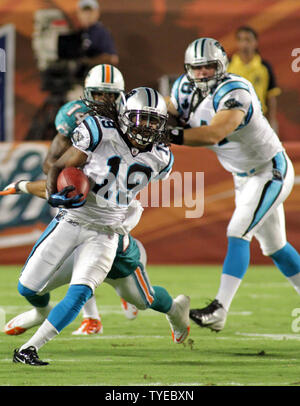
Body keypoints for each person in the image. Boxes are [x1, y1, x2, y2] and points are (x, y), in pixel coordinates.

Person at [12, 86, 190, 365]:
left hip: (107, 233)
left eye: (153, 120)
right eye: (140, 118)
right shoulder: (100, 131)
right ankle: (39, 312)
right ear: (125, 116)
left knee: (86, 291)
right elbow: (58, 167)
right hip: (73, 218)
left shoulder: (162, 157)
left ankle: (30, 348)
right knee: (27, 287)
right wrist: (54, 193)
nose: (145, 126)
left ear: (161, 123)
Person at [167, 37, 300, 332]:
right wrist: (142, 111)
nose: (202, 73)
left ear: (222, 65)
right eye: (196, 67)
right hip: (243, 176)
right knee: (275, 246)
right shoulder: (182, 87)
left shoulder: (235, 91)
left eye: (209, 66)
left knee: (238, 231)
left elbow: (214, 133)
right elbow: (170, 107)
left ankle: (220, 309)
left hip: (269, 170)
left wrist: (168, 135)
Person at [2, 64, 138, 336]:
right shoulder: (75, 116)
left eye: (110, 95)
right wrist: (70, 176)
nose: (105, 101)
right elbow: (50, 163)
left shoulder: (131, 119)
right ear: (88, 93)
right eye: (99, 94)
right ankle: (92, 316)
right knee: (77, 252)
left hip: (118, 198)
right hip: (82, 198)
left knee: (107, 252)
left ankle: (123, 286)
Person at [227, 26, 281, 132]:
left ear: (255, 42)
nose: (244, 44)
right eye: (241, 40)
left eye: (248, 40)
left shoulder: (264, 67)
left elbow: (271, 97)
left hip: (258, 120)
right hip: (232, 121)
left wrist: (272, 121)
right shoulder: (228, 66)